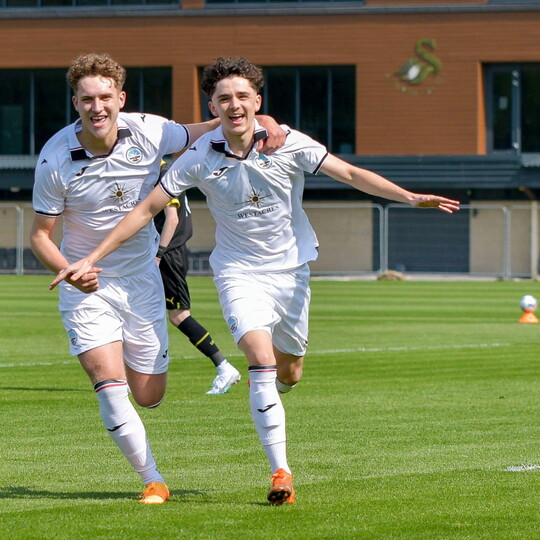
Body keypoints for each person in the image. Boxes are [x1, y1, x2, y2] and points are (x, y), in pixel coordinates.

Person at [51, 56, 461, 505]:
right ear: (213, 106)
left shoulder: (287, 142)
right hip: (237, 272)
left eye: (243, 97)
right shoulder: (198, 157)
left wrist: (407, 196)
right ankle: (280, 473)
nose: (234, 105)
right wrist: (89, 257)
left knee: (290, 371)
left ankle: (273, 386)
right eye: (224, 99)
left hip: (292, 272)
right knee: (259, 359)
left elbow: (348, 172)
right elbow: (146, 209)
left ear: (257, 102)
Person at [31, 53, 285, 505]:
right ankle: (152, 479)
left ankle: (136, 392)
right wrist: (69, 273)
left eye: (105, 97)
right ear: (76, 103)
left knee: (148, 395)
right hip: (87, 285)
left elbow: (208, 128)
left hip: (143, 279)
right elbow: (40, 236)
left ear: (120, 98)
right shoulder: (54, 158)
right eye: (87, 99)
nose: (97, 107)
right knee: (108, 385)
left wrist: (262, 117)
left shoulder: (149, 129)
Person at [153, 162, 240, 395]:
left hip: (169, 254)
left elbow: (171, 218)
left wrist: (159, 254)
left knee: (179, 315)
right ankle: (135, 375)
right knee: (140, 311)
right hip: (166, 252)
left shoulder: (161, 172)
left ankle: (224, 366)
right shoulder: (166, 170)